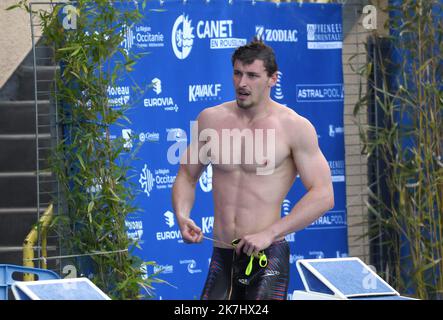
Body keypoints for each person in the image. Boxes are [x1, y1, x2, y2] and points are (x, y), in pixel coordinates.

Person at [172, 39, 334, 300]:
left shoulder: (294, 127)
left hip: (266, 256)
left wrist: (269, 233)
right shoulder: (210, 119)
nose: (242, 83)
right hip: (223, 253)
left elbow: (323, 194)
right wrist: (182, 216)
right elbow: (187, 177)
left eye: (252, 75)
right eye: (237, 73)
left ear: (272, 79)